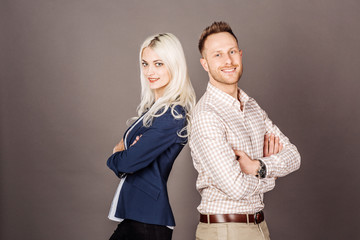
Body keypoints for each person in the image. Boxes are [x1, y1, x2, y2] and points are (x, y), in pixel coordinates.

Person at [189, 21, 301, 240]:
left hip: (258, 226)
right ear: (205, 64)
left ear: (240, 54)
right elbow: (236, 188)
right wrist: (271, 176)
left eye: (232, 52)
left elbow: (294, 156)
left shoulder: (251, 106)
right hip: (225, 230)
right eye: (218, 55)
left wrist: (258, 166)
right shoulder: (206, 115)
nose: (228, 61)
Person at [106, 33, 196, 240]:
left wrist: (115, 155)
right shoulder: (153, 110)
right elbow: (132, 161)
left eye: (158, 64)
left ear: (174, 66)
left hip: (149, 222)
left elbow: (128, 163)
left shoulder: (172, 114)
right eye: (145, 64)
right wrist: (128, 156)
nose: (150, 71)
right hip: (138, 217)